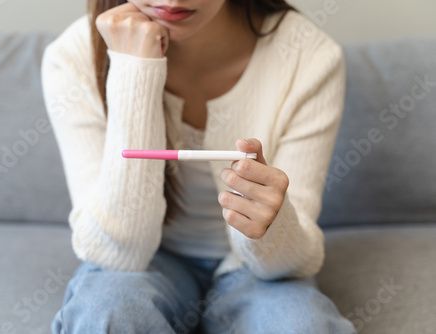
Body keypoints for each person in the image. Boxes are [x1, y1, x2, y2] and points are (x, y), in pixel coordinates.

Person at [41, 0, 356, 333]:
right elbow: (117, 256)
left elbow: (292, 263)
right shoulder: (73, 57)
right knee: (105, 313)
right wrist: (134, 70)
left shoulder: (309, 55)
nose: (174, 0)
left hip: (254, 271)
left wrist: (269, 226)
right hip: (149, 263)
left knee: (302, 326)